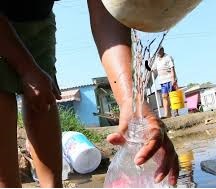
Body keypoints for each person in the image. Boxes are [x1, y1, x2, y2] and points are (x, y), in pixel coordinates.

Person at [0, 0, 179, 187]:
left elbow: (107, 13)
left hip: (38, 17)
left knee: (43, 96)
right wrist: (26, 68)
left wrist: (130, 101)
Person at [153, 47, 178, 118]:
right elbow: (152, 68)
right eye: (157, 52)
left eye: (159, 51)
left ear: (162, 50)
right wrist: (146, 64)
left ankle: (175, 113)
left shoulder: (168, 57)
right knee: (164, 97)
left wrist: (173, 79)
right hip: (162, 81)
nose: (158, 53)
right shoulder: (157, 60)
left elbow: (172, 68)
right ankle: (167, 114)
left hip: (170, 79)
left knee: (172, 96)